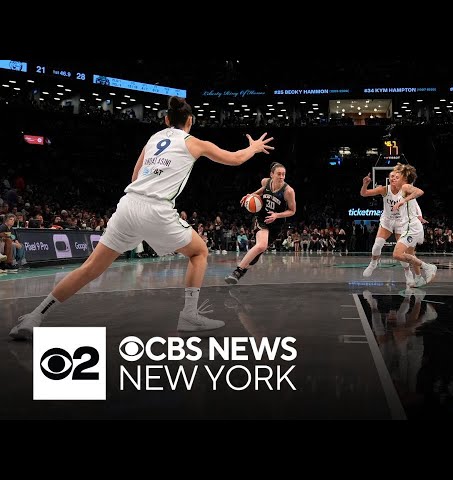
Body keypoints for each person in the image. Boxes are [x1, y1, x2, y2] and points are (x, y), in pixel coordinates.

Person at [9, 96, 274, 340]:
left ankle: (34, 317)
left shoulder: (153, 139)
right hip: (156, 210)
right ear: (190, 122)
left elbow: (135, 177)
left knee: (89, 268)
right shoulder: (194, 143)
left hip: (127, 206)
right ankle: (189, 316)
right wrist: (253, 147)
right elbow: (236, 158)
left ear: (167, 120)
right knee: (199, 252)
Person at [225, 162, 296, 284]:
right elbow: (262, 191)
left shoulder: (288, 191)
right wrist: (251, 195)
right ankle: (236, 272)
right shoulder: (266, 182)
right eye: (279, 174)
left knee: (258, 253)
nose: (282, 177)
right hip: (261, 218)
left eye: (283, 174)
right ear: (271, 175)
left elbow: (292, 211)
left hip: (275, 225)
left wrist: (277, 215)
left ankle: (241, 271)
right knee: (261, 245)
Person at [360, 168, 433, 287]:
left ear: (402, 179)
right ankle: (373, 263)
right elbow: (364, 193)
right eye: (391, 176)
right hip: (387, 220)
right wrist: (365, 184)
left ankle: (407, 272)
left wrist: (419, 216)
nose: (393, 178)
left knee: (400, 253)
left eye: (396, 176)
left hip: (401, 221)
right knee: (377, 245)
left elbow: (416, 202)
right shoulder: (384, 189)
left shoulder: (405, 188)